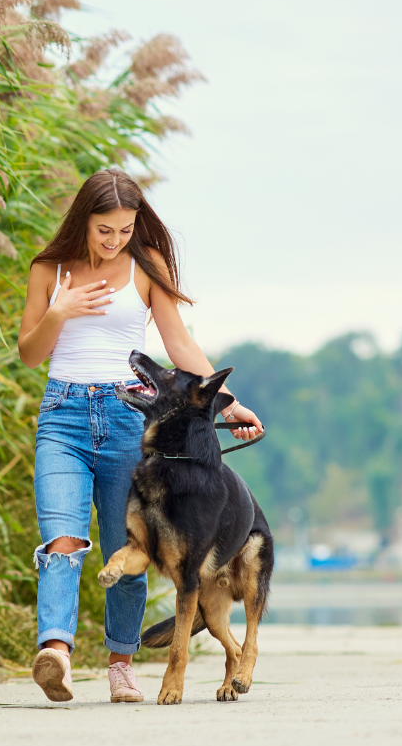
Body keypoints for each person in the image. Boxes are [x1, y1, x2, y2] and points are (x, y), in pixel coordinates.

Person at [17, 168, 263, 703]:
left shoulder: (144, 268)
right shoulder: (49, 270)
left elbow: (178, 344)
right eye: (105, 229)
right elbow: (30, 354)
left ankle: (121, 664)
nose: (115, 240)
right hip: (63, 417)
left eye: (125, 229)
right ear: (84, 220)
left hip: (129, 420)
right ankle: (55, 652)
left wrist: (230, 402)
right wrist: (58, 311)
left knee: (131, 549)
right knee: (61, 541)